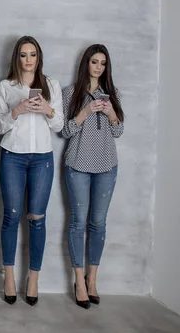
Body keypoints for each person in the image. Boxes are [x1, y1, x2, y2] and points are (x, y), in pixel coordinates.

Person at [0, 35, 63, 306]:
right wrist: (18, 109)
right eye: (23, 55)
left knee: (37, 218)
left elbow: (59, 125)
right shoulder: (6, 86)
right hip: (12, 157)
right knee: (11, 217)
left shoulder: (52, 85)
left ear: (39, 57)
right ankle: (8, 276)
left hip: (42, 160)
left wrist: (47, 109)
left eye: (32, 54)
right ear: (17, 58)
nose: (28, 60)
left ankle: (33, 278)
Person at [62, 44, 124, 309]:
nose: (98, 67)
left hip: (107, 166)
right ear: (86, 63)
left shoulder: (113, 94)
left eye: (103, 63)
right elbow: (64, 132)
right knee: (78, 223)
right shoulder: (70, 93)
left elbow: (119, 132)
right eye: (94, 62)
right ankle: (78, 280)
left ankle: (92, 280)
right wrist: (86, 111)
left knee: (98, 223)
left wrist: (111, 114)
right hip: (77, 165)